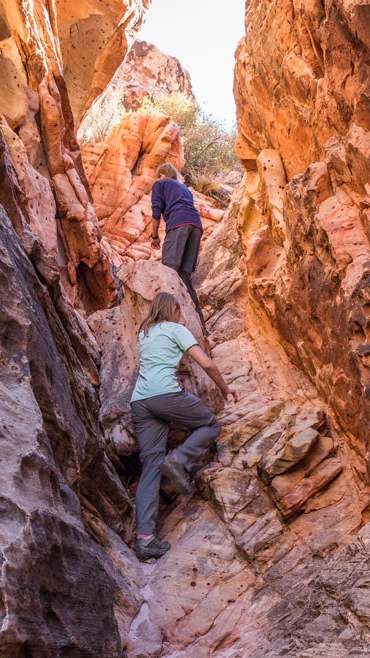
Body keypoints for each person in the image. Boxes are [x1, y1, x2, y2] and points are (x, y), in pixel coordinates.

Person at [130, 291, 237, 562]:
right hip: (166, 395)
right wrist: (224, 389)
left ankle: (145, 540)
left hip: (140, 402)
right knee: (209, 425)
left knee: (151, 467)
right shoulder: (176, 328)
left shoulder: (144, 333)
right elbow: (206, 362)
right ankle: (178, 460)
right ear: (174, 310)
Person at [151, 163, 205, 325]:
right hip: (196, 226)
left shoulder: (160, 183)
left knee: (168, 269)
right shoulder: (184, 189)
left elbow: (156, 211)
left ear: (161, 174)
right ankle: (199, 323)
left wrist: (154, 236)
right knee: (184, 274)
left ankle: (165, 320)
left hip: (178, 224)